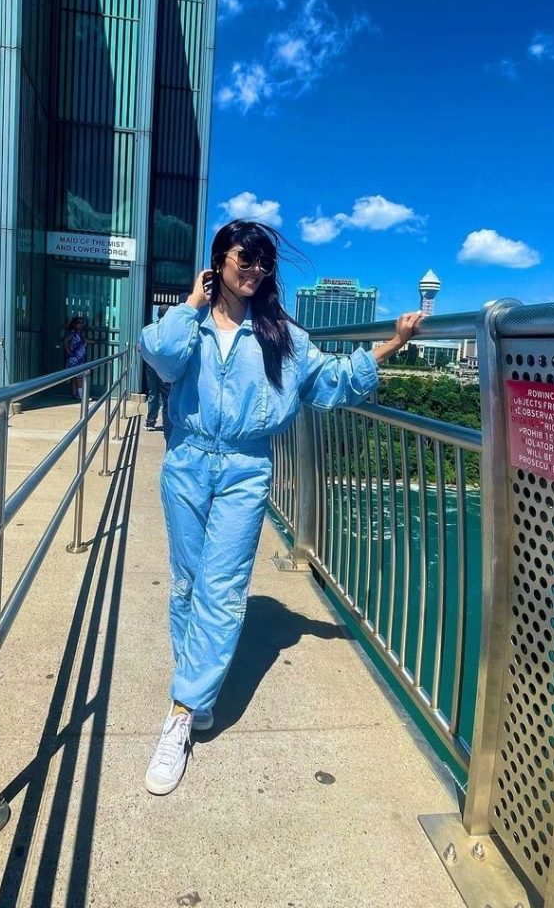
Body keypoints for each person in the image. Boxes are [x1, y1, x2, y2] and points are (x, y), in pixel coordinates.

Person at [138, 219, 422, 795]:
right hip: (187, 461)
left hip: (245, 468)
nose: (254, 272)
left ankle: (180, 714)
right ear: (219, 259)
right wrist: (192, 303)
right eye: (245, 260)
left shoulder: (281, 336)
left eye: (264, 264)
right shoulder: (190, 323)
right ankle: (198, 694)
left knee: (221, 589)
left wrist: (389, 346)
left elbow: (327, 382)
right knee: (187, 585)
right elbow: (160, 358)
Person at [144, 305, 172, 436]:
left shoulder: (149, 329)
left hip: (151, 366)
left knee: (153, 394)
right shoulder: (171, 330)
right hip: (165, 367)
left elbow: (140, 347)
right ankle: (168, 426)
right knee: (167, 397)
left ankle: (150, 422)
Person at [63, 316, 87, 399]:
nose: (81, 325)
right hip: (75, 359)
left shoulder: (80, 334)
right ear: (74, 324)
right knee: (79, 376)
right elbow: (65, 341)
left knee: (74, 377)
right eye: (79, 323)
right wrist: (68, 351)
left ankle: (74, 394)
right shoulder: (73, 333)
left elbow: (86, 341)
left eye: (81, 323)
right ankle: (81, 395)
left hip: (80, 358)